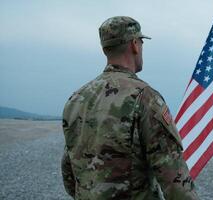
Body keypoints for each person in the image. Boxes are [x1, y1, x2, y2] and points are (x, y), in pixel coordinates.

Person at [61, 16, 199, 200]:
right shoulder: (144, 98)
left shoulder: (76, 100)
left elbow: (69, 174)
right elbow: (175, 181)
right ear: (134, 44)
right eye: (141, 42)